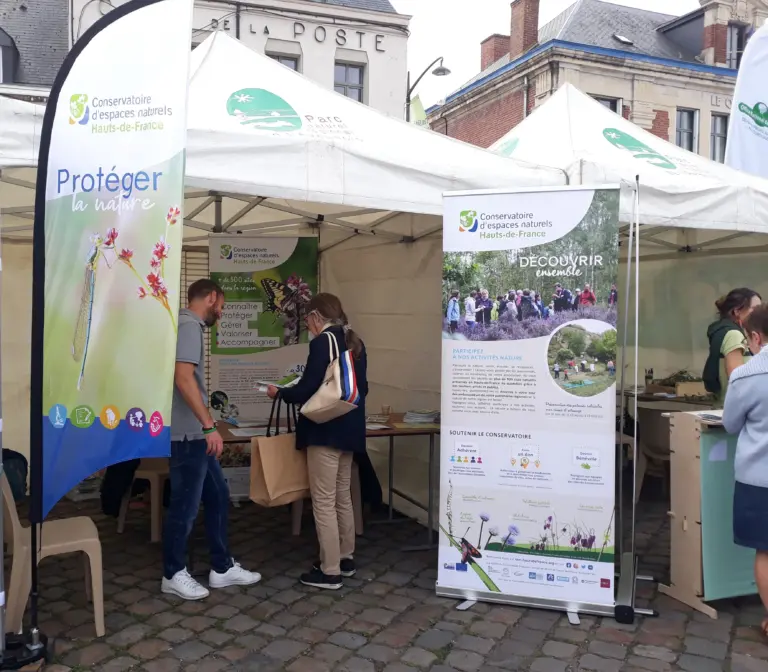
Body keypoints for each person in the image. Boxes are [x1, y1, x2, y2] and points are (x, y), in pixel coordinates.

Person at [163, 279, 261, 600]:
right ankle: (173, 573)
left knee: (218, 495)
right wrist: (208, 425)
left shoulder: (182, 324)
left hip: (193, 431)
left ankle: (221, 567)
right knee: (185, 506)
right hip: (189, 433)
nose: (221, 312)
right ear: (212, 297)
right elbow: (182, 376)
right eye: (222, 305)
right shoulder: (189, 325)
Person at [268, 293, 367, 590]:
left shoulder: (322, 343)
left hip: (324, 430)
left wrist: (280, 393)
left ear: (315, 317)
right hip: (349, 428)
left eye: (308, 319)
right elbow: (363, 388)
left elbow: (308, 388)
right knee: (342, 497)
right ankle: (345, 558)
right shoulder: (354, 341)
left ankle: (330, 570)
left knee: (322, 501)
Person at [723, 303, 768, 635]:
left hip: (759, 479)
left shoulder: (746, 375)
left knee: (765, 551)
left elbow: (730, 424)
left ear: (755, 337)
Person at [703, 288, 762, 405]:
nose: (759, 313)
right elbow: (737, 378)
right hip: (738, 408)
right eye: (754, 309)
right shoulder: (733, 335)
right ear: (737, 311)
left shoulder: (724, 331)